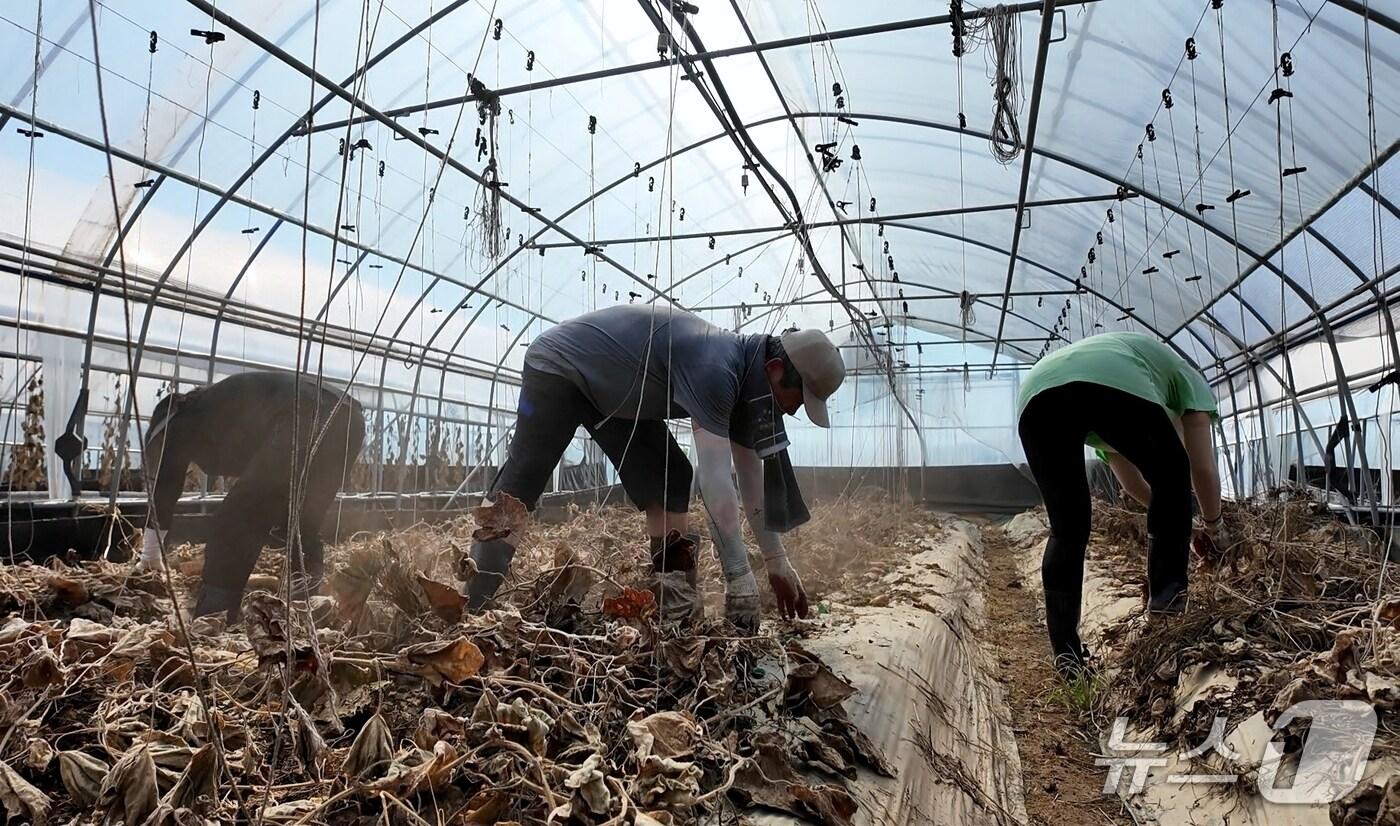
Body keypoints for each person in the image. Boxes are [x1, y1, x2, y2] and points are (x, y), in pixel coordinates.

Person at [463, 304, 847, 631]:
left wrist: (777, 562)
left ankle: (671, 605)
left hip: (615, 394)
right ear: (777, 368)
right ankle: (472, 607)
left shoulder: (751, 382)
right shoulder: (720, 368)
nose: (794, 410)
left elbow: (750, 479)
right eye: (796, 399)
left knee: (670, 477)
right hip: (563, 366)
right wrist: (740, 578)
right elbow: (714, 480)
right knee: (523, 482)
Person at [1015, 331, 1227, 675]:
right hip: (1109, 380)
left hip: (1037, 395)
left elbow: (1132, 486)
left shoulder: (1137, 390)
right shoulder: (1189, 380)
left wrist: (1183, 527)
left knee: (1068, 528)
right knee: (1173, 470)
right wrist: (1214, 526)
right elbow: (1201, 470)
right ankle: (1166, 610)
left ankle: (1067, 656)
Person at [139, 371, 366, 619]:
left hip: (303, 412)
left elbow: (166, 484)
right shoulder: (219, 407)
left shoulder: (182, 419)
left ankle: (214, 615)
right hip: (348, 419)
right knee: (303, 521)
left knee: (238, 517)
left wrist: (150, 555)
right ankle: (309, 609)